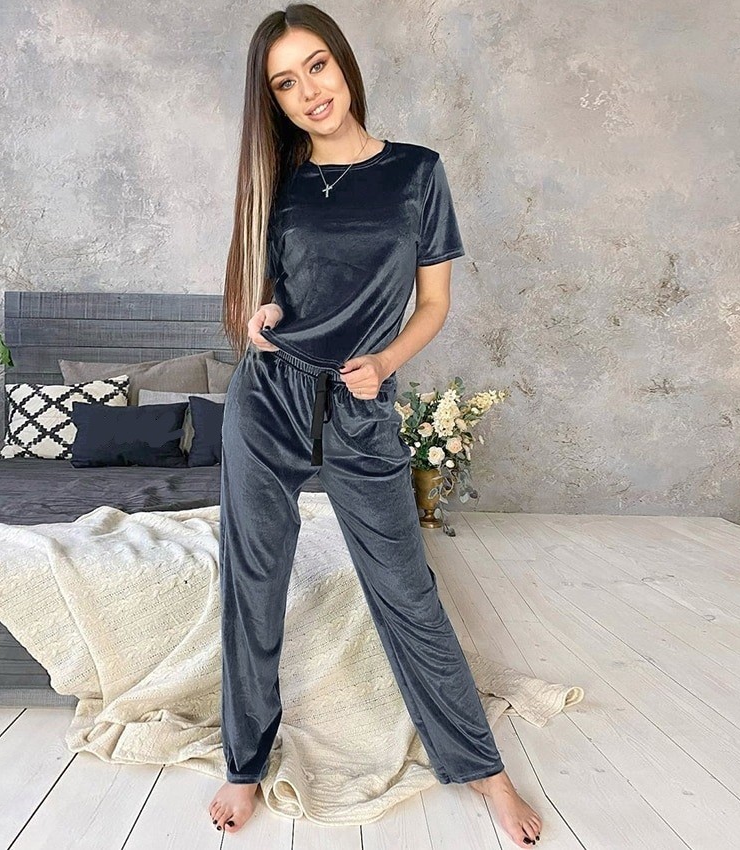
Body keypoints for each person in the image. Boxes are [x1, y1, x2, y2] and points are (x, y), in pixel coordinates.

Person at [210, 5, 543, 847]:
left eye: (317, 66)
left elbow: (433, 302)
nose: (309, 91)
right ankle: (243, 763)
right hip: (271, 396)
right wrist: (262, 313)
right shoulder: (277, 180)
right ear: (274, 100)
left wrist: (386, 360)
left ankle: (484, 770)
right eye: (285, 83)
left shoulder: (417, 172)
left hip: (361, 405)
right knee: (253, 581)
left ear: (344, 64)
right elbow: (269, 294)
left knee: (406, 589)